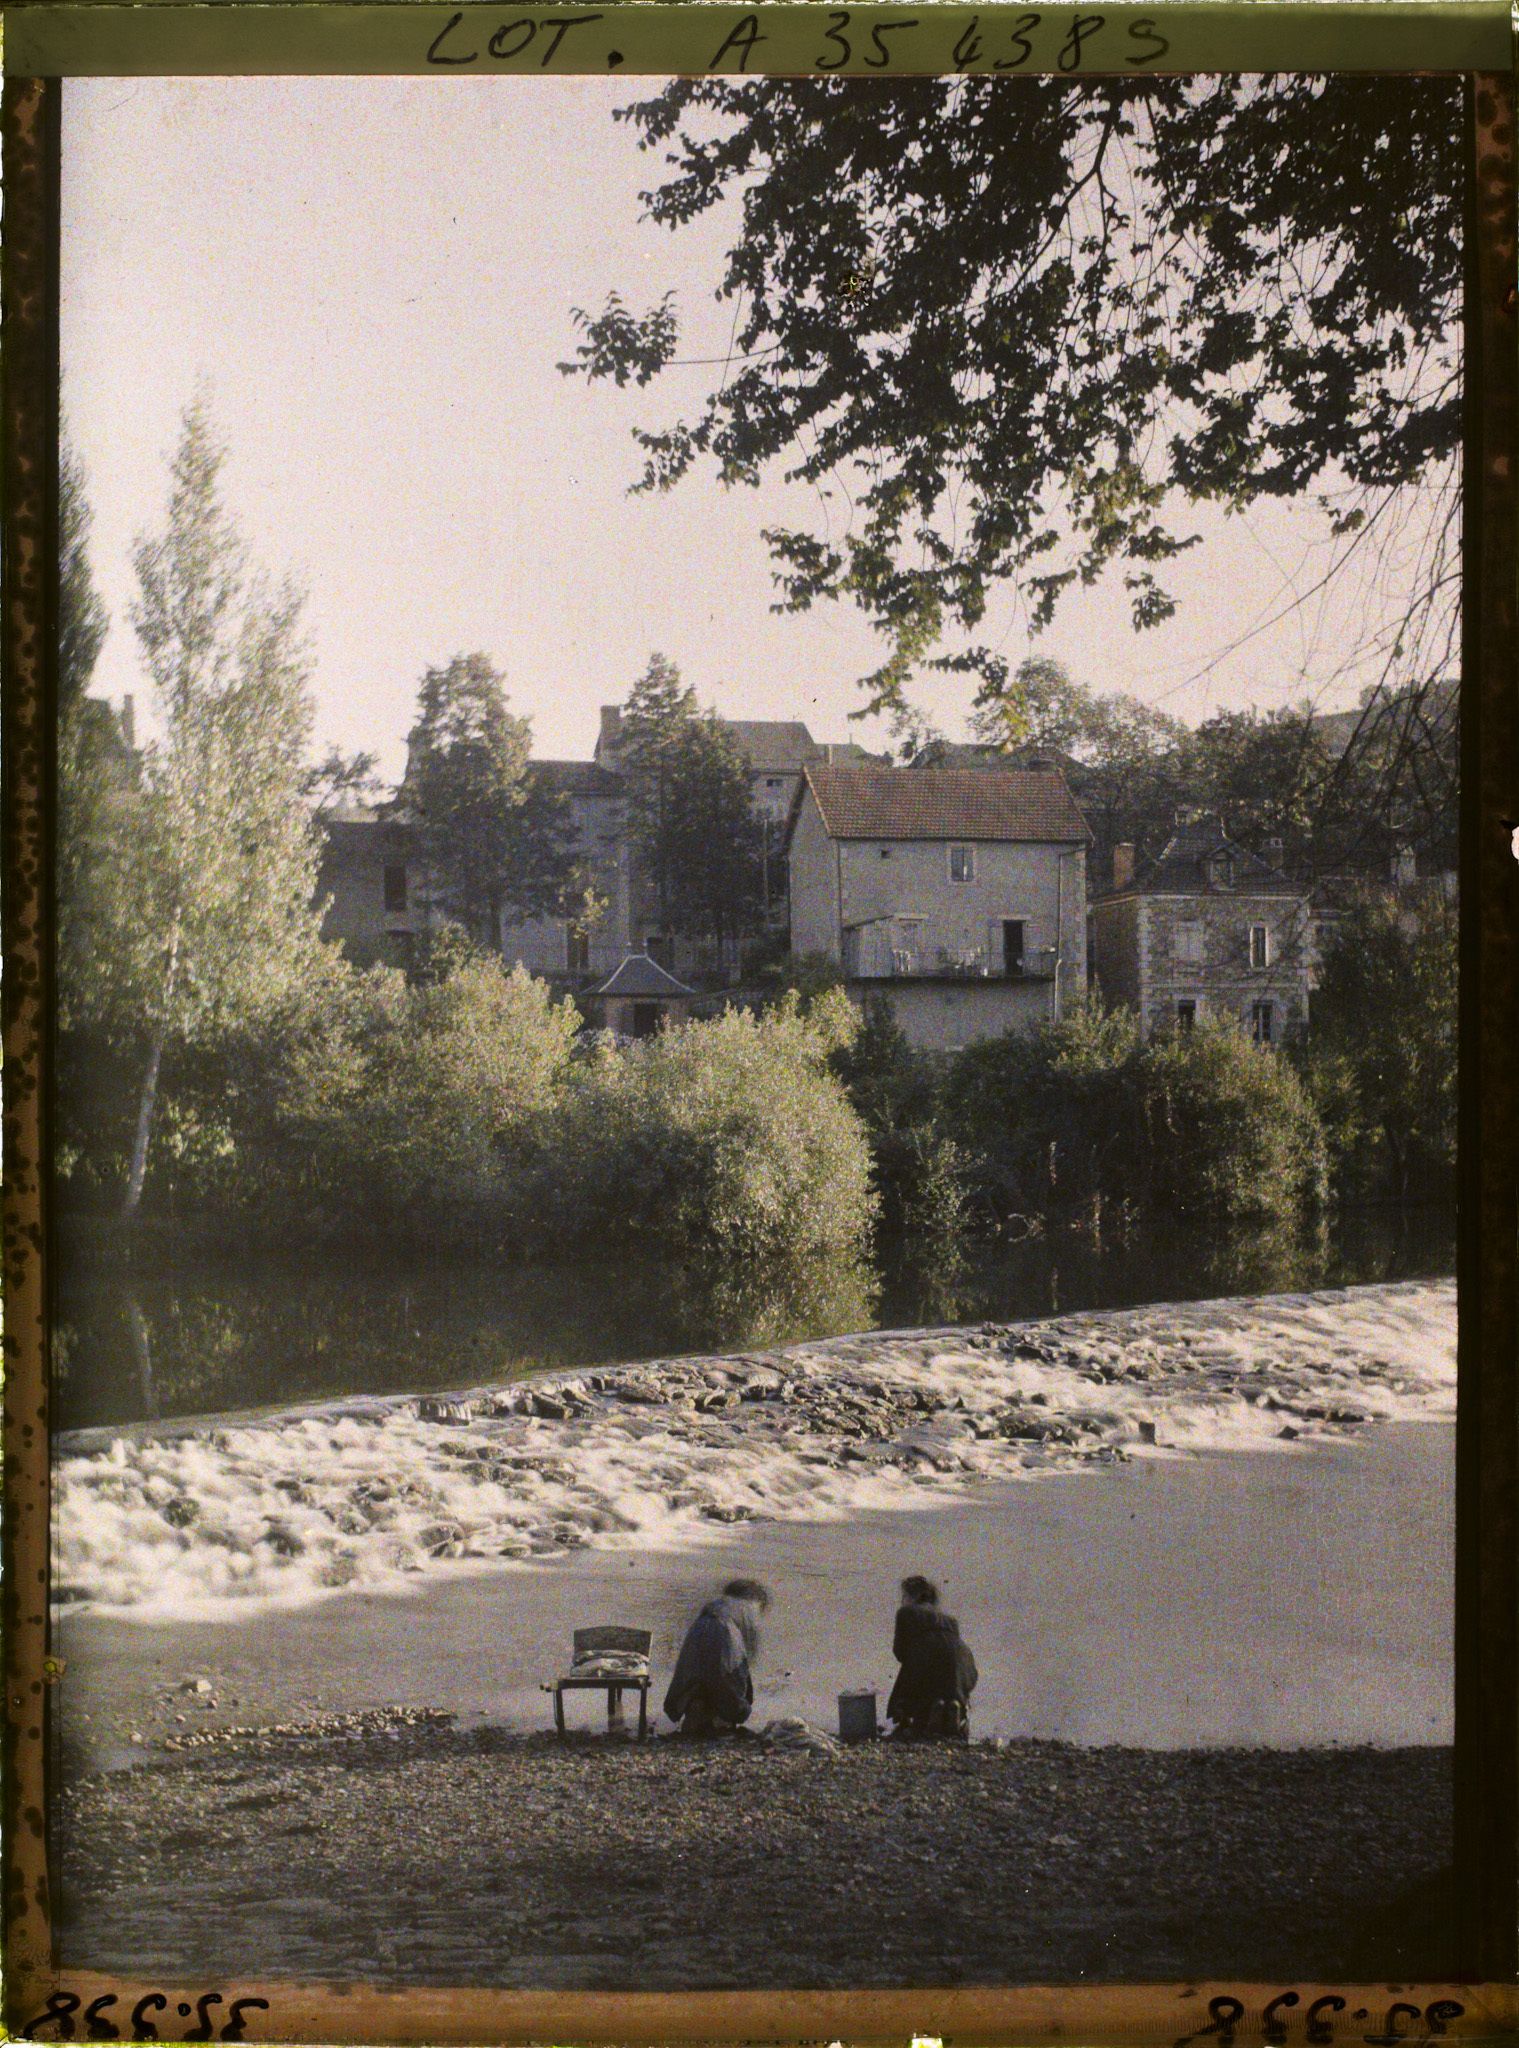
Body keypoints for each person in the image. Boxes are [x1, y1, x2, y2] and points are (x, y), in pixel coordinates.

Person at [662, 1578, 771, 1736]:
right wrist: (743, 1707)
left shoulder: (713, 1608)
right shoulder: (748, 1608)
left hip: (702, 1630)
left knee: (696, 1676)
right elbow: (742, 1665)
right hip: (725, 1634)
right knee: (729, 1681)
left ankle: (695, 1708)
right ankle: (718, 1719)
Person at [887, 1574, 978, 1740]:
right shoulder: (951, 1619)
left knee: (909, 1681)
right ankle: (955, 1710)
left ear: (912, 1596)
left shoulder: (906, 1612)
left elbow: (900, 1652)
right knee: (949, 1681)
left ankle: (928, 1714)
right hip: (965, 1663)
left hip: (926, 1659)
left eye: (904, 1596)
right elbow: (950, 1654)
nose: (901, 1601)